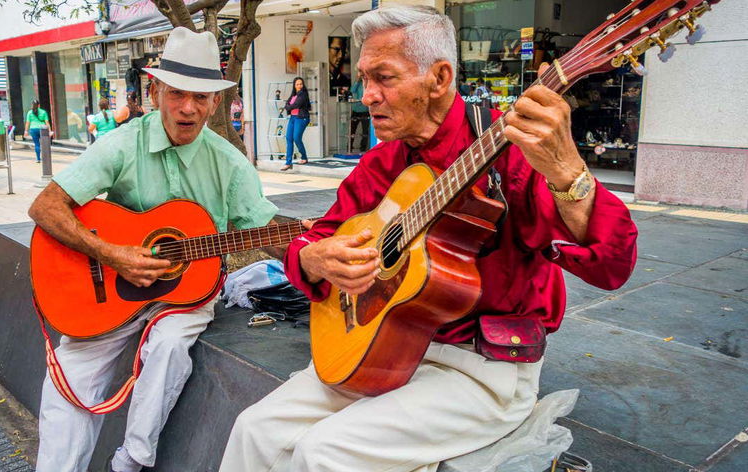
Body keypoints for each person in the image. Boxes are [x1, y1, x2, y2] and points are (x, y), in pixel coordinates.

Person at [220, 6, 637, 472]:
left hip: (480, 369)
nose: (366, 96)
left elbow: (612, 264)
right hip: (380, 349)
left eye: (384, 78)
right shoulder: (382, 163)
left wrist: (568, 173)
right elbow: (318, 237)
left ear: (439, 78)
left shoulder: (511, 151)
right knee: (253, 429)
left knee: (326, 453)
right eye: (363, 78)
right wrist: (315, 258)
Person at [28, 27, 279, 472]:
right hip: (112, 290)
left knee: (168, 346)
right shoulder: (124, 143)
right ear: (155, 90)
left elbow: (265, 229)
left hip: (189, 293)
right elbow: (46, 206)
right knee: (68, 374)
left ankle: (132, 460)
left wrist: (318, 243)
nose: (188, 107)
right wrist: (111, 253)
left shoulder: (230, 164)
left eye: (201, 97)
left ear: (216, 103)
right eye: (177, 93)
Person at [281, 77, 310, 171]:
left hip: (301, 118)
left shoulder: (303, 94)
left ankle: (304, 157)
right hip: (293, 118)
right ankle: (288, 163)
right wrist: (288, 107)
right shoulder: (293, 94)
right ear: (294, 85)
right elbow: (287, 104)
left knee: (296, 138)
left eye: (301, 84)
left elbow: (296, 105)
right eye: (297, 84)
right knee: (289, 138)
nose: (299, 86)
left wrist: (288, 107)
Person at [348, 73, 369, 152]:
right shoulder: (358, 84)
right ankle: (349, 147)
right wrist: (357, 80)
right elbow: (352, 90)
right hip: (356, 110)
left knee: (365, 131)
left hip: (365, 110)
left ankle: (363, 148)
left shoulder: (369, 85)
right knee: (352, 129)